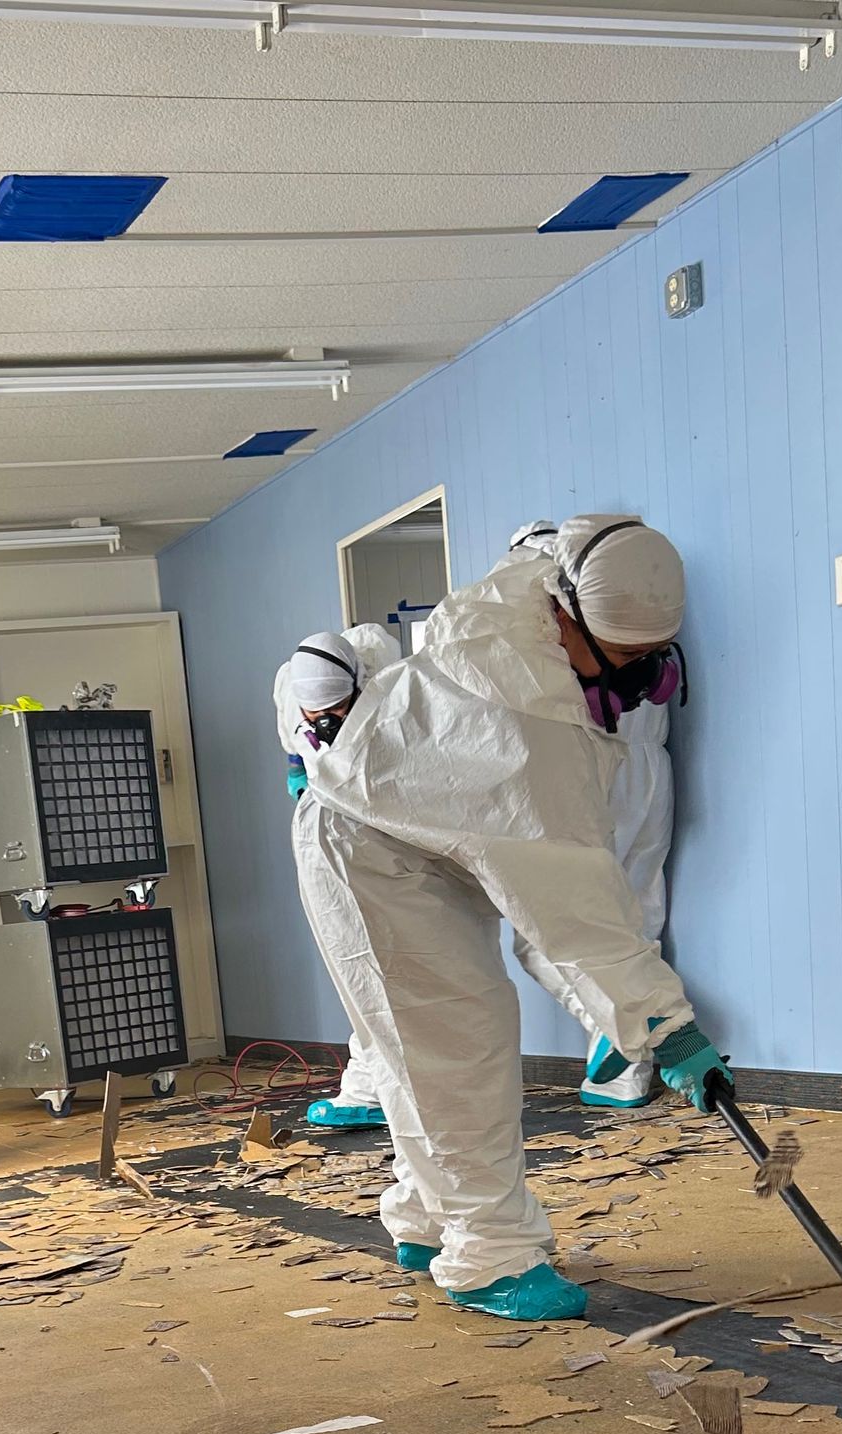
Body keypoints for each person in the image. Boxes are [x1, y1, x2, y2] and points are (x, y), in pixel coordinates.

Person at [292, 522, 732, 1321]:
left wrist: (637, 1022)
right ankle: (489, 1253)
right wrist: (664, 1027)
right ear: (568, 615)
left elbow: (553, 917)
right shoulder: (522, 720)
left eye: (654, 660)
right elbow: (573, 915)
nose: (642, 683)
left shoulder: (533, 596)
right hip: (366, 847)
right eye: (629, 662)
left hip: (412, 828)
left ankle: (427, 1218)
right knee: (452, 1040)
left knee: (426, 1044)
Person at [511, 515, 683, 1108]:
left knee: (545, 934)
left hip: (592, 772)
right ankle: (624, 1074)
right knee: (635, 917)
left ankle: (626, 1038)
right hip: (651, 771)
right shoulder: (629, 608)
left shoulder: (552, 634)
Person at [273, 624, 400, 1130]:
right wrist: (296, 769)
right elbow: (292, 741)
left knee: (387, 972)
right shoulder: (290, 692)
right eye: (315, 715)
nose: (325, 722)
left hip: (384, 836)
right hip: (328, 842)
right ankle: (369, 1089)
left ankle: (379, 1089)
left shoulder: (386, 690)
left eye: (337, 711)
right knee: (358, 971)